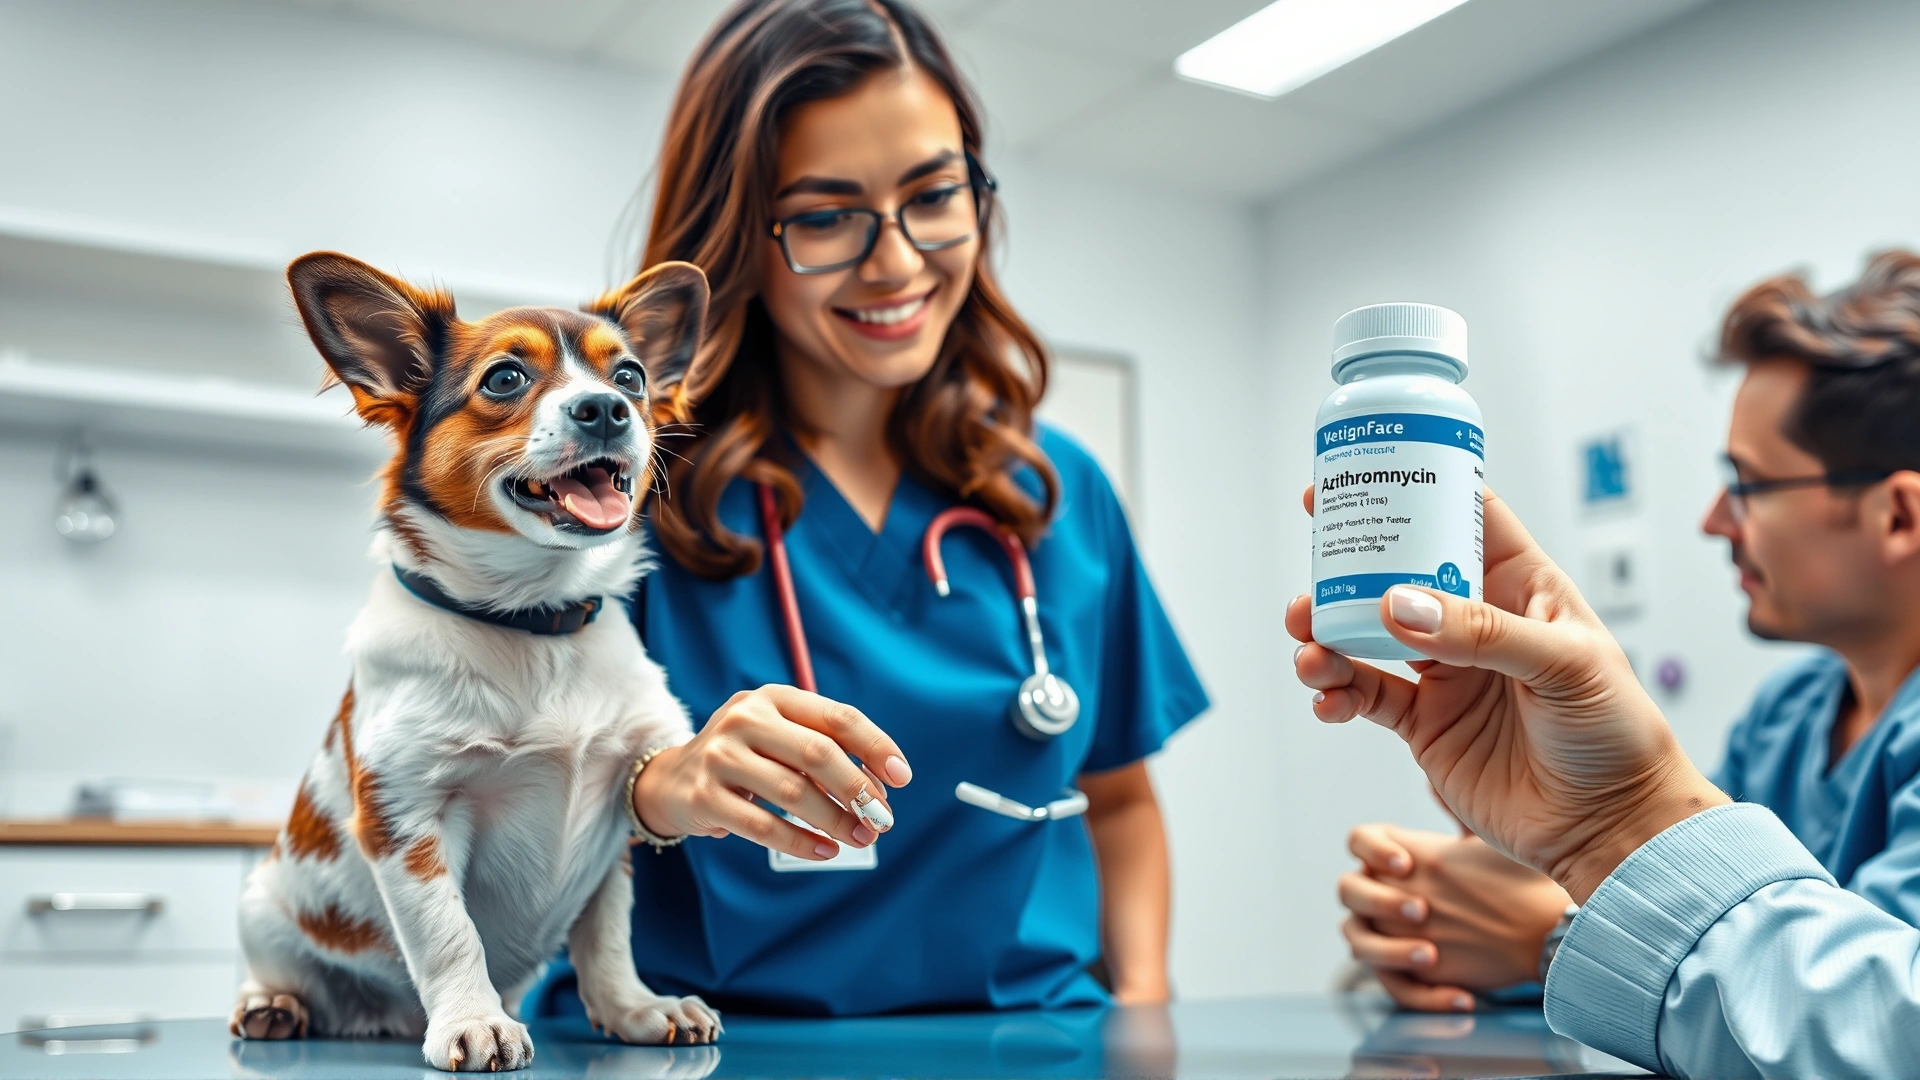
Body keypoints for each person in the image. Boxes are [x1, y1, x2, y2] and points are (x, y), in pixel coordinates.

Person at [528, 0, 1207, 1020]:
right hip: (698, 1045)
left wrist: (1145, 1018)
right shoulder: (618, 498)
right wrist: (666, 784)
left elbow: (1117, 804)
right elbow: (503, 823)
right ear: (740, 233)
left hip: (1029, 1046)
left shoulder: (1054, 494)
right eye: (825, 216)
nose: (895, 262)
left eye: (935, 194)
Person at [1291, 264, 1920, 1079]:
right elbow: (1700, 940)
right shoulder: (1788, 716)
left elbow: (1872, 1025)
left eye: (1748, 483)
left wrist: (1548, 927)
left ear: (1899, 515)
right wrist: (1450, 914)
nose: (1712, 519)